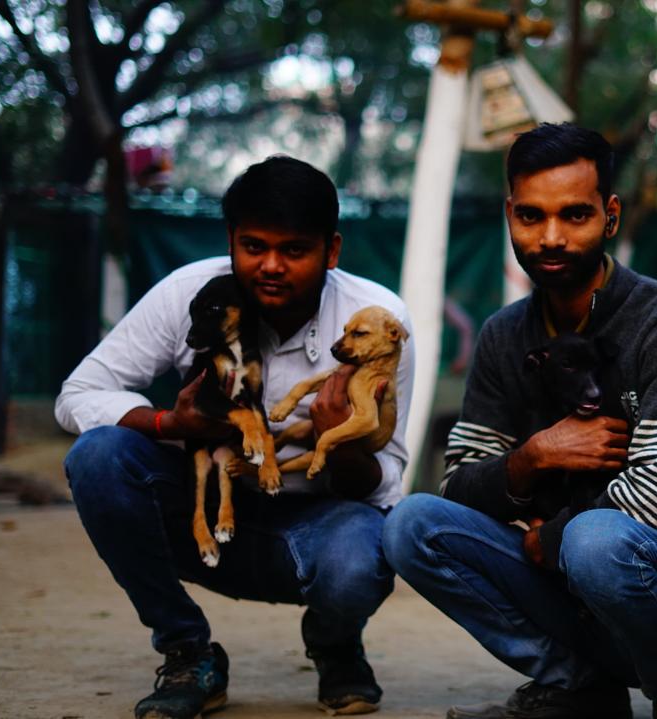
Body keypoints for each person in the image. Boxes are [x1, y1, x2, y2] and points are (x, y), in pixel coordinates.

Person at [382, 123, 657, 719]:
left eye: (574, 216)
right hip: (567, 600)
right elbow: (458, 486)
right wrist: (534, 457)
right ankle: (576, 687)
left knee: (594, 539)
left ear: (609, 216)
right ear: (510, 215)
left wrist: (546, 536)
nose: (550, 237)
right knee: (412, 522)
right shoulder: (505, 335)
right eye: (531, 217)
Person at [56, 156, 414, 718]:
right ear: (231, 240)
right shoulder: (189, 295)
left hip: (314, 524)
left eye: (294, 250)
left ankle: (335, 641)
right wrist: (168, 425)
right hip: (200, 504)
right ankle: (186, 651)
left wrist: (337, 439)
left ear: (332, 250)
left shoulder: (374, 322)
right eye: (253, 247)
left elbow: (386, 481)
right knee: (99, 456)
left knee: (363, 556)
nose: (270, 266)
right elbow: (78, 395)